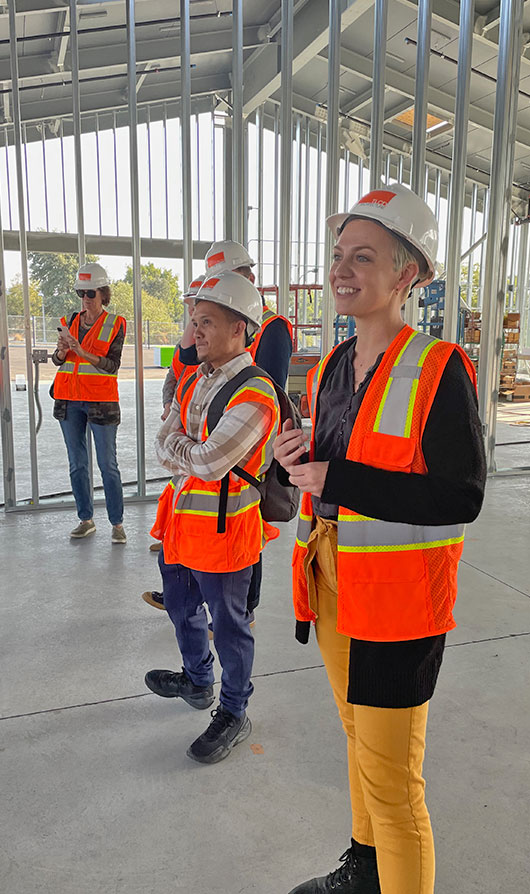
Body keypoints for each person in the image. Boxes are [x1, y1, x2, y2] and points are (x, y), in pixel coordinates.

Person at [274, 183, 486, 894]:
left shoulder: (439, 368)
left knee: (394, 782)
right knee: (360, 743)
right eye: (338, 255)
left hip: (400, 608)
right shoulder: (332, 368)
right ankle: (364, 870)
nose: (342, 269)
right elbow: (343, 467)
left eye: (363, 257)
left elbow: (461, 496)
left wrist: (340, 477)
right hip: (333, 584)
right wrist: (303, 456)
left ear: (409, 276)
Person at [145, 271, 280, 764]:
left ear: (239, 328)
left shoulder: (256, 392)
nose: (194, 331)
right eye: (194, 321)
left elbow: (206, 460)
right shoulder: (197, 379)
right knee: (181, 610)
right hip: (181, 525)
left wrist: (179, 444)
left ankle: (233, 710)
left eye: (206, 322)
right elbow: (173, 442)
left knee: (230, 626)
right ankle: (198, 680)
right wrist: (184, 446)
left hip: (224, 534)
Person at [143, 239, 293, 609]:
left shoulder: (271, 326)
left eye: (226, 277)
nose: (219, 287)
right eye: (213, 280)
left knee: (245, 529)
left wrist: (190, 441)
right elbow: (182, 367)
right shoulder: (209, 320)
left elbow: (267, 385)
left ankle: (245, 604)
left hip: (243, 443)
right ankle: (193, 591)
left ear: (248, 276)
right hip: (201, 442)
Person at [51, 262, 127, 544]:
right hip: (69, 400)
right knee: (77, 464)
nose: (85, 298)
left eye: (90, 292)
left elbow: (112, 365)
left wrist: (83, 352)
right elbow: (59, 362)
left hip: (101, 402)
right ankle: (86, 520)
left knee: (108, 465)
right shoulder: (71, 319)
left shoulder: (115, 323)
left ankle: (117, 524)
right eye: (81, 292)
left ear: (103, 294)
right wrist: (60, 352)